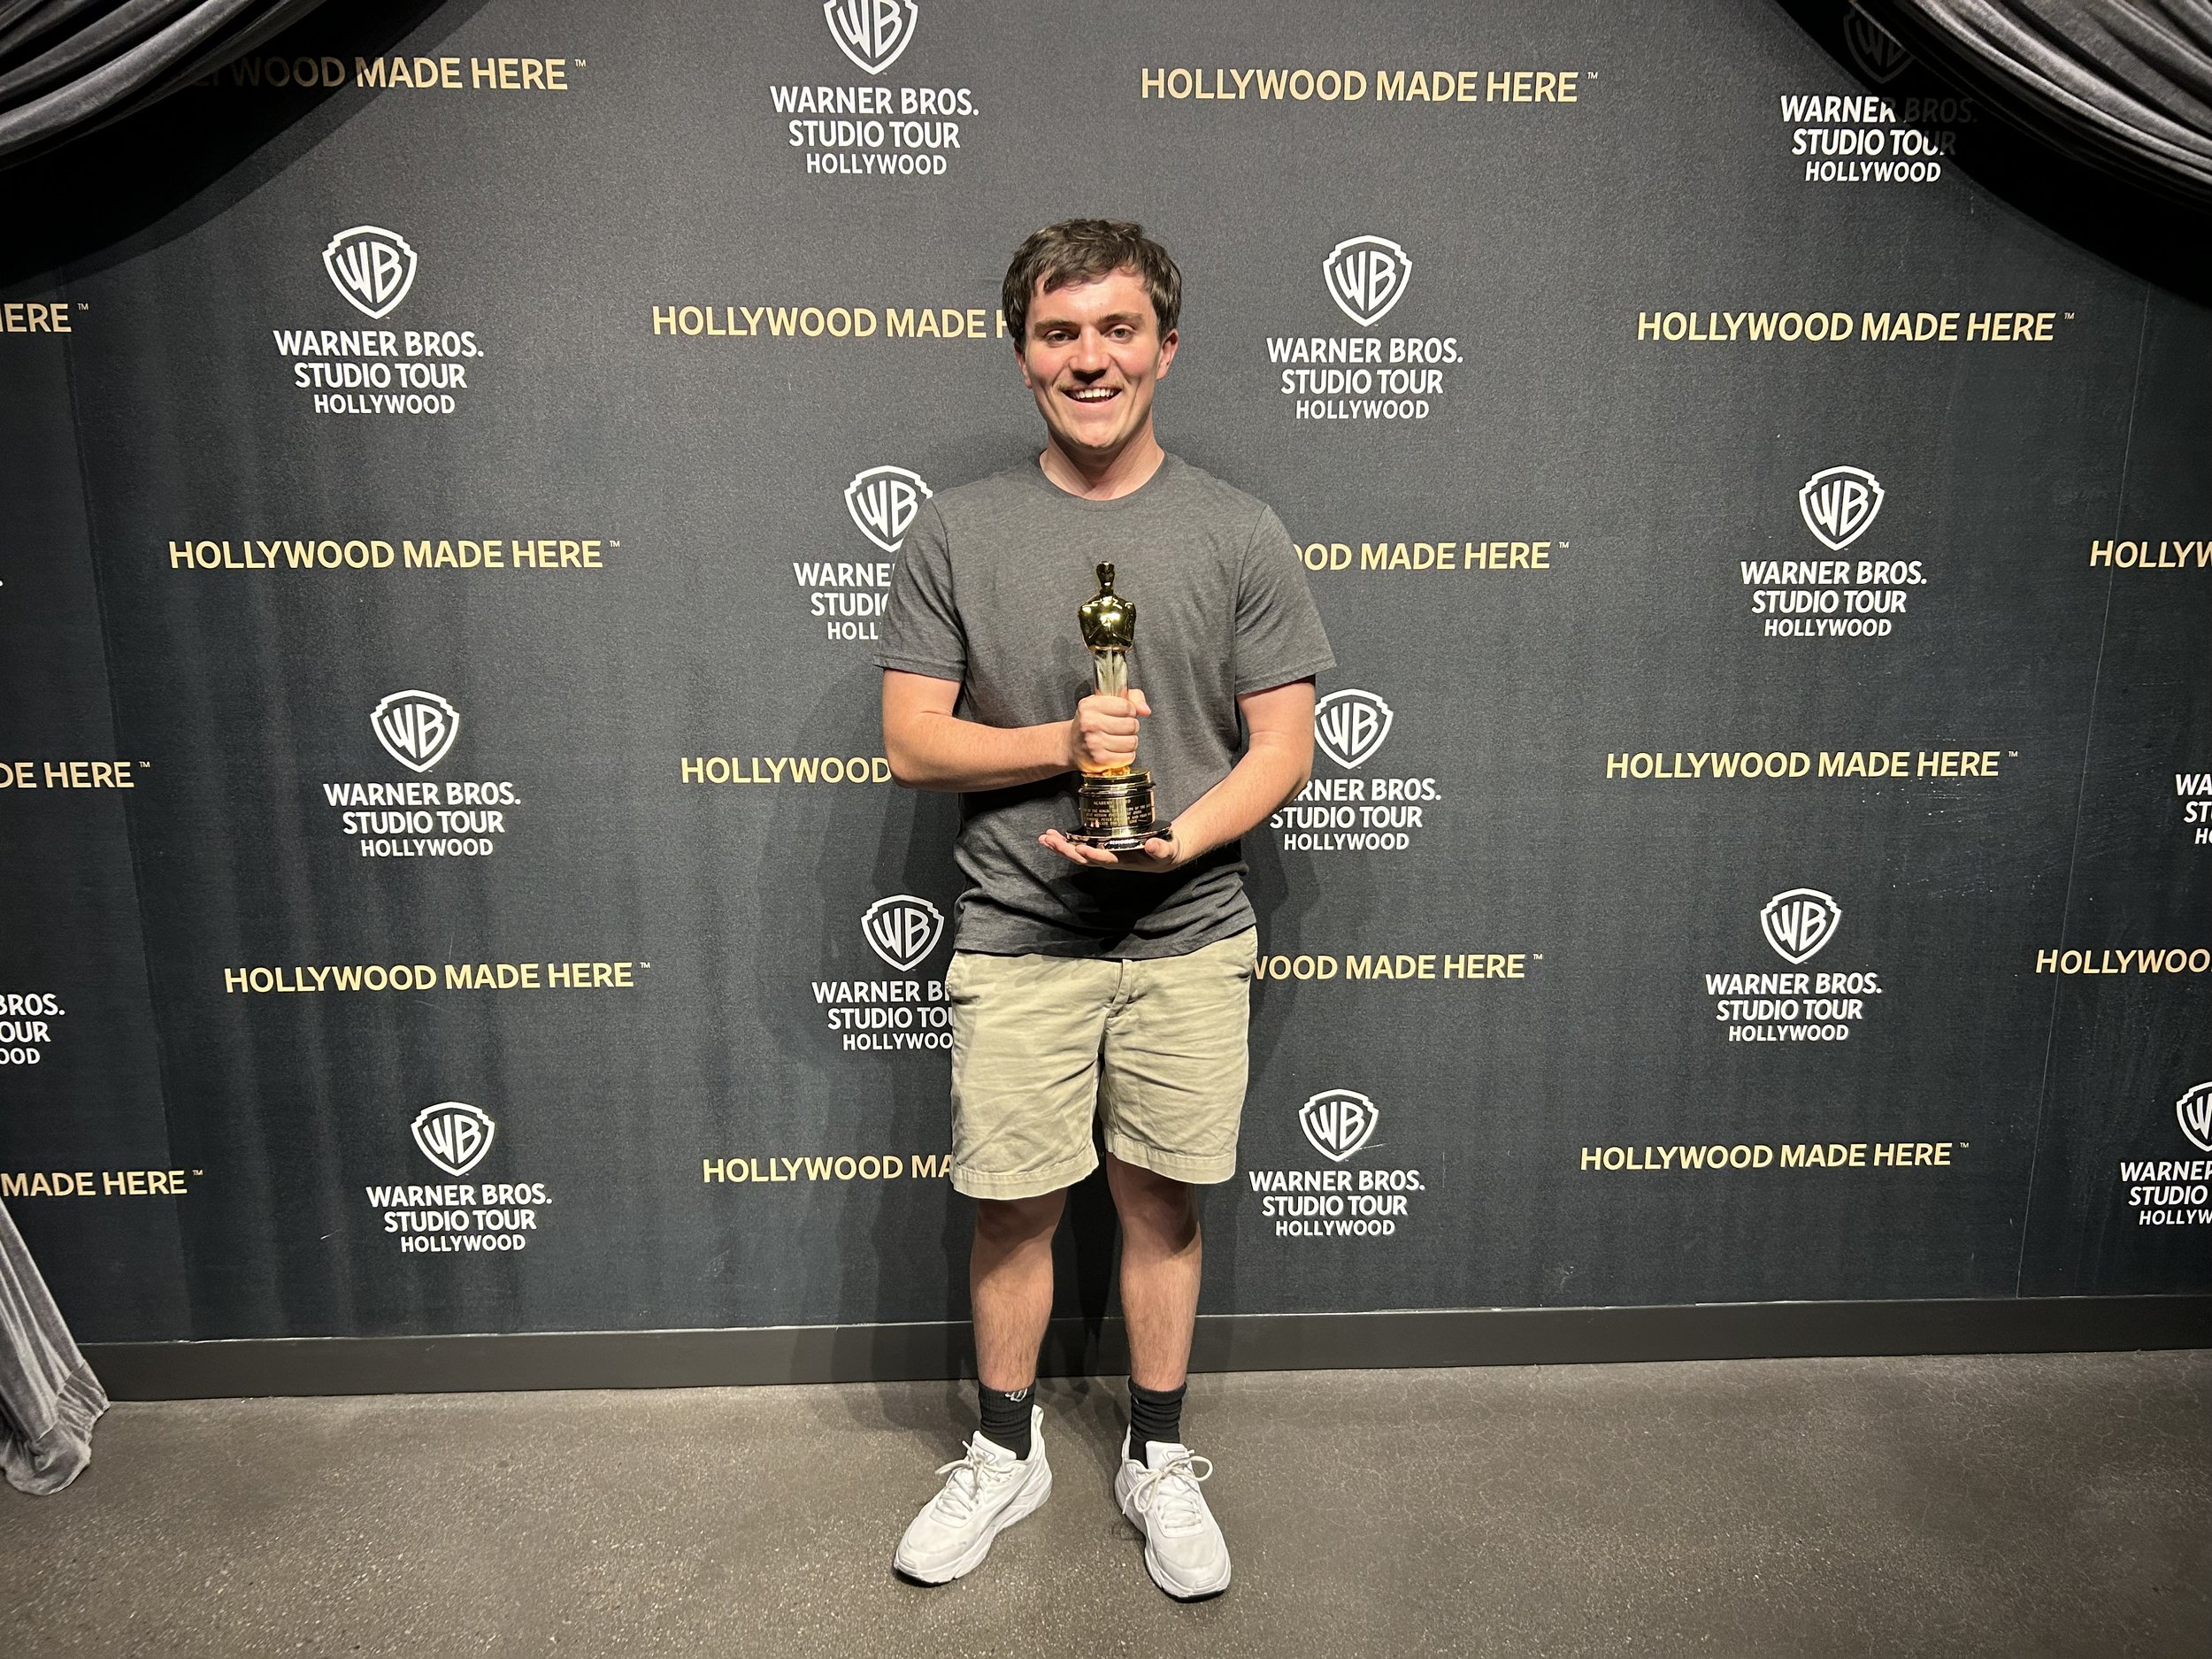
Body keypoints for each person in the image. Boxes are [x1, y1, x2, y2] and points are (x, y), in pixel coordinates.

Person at [876, 218, 1333, 1600]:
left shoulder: (1238, 530)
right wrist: (1064, 744)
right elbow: (913, 742)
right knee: (1011, 1210)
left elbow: (1284, 745)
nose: (1092, 358)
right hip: (1019, 935)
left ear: (1165, 349)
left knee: (1160, 1204)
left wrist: (1176, 838)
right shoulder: (956, 529)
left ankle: (1157, 1454)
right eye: (1060, 333)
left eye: (1118, 330)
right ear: (1023, 356)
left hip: (1187, 935)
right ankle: (1005, 1452)